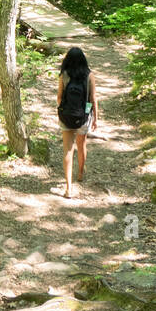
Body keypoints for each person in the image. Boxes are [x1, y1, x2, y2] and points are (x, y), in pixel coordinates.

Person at [57, 46, 98, 199]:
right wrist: (95, 118)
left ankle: (69, 188)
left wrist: (62, 111)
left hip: (66, 116)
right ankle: (80, 173)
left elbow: (59, 97)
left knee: (68, 151)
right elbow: (92, 99)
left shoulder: (64, 75)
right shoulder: (89, 75)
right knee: (81, 145)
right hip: (83, 117)